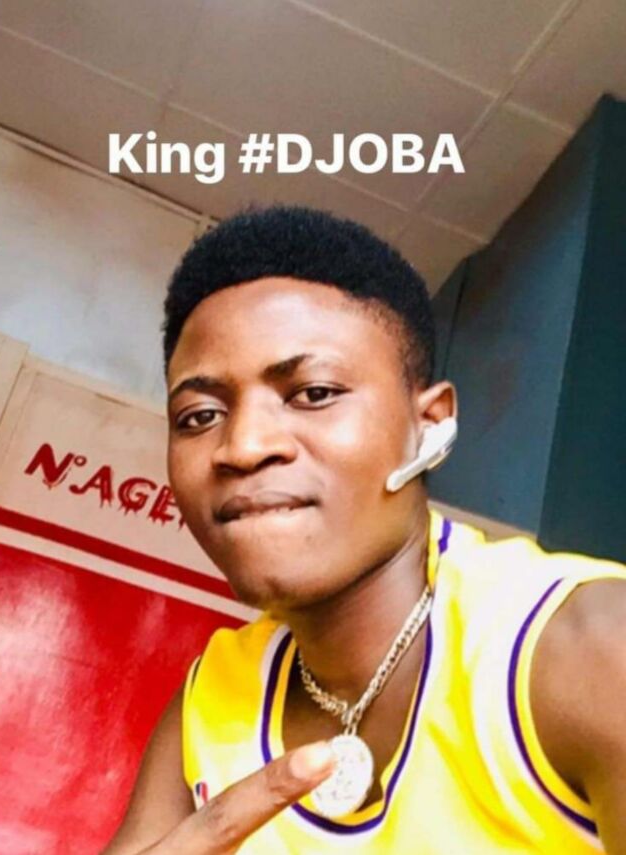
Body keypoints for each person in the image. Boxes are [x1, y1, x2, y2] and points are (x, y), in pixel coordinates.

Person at [103, 206, 626, 855]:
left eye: (314, 392)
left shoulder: (591, 649)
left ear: (429, 426)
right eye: (199, 415)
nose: (243, 446)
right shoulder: (207, 703)